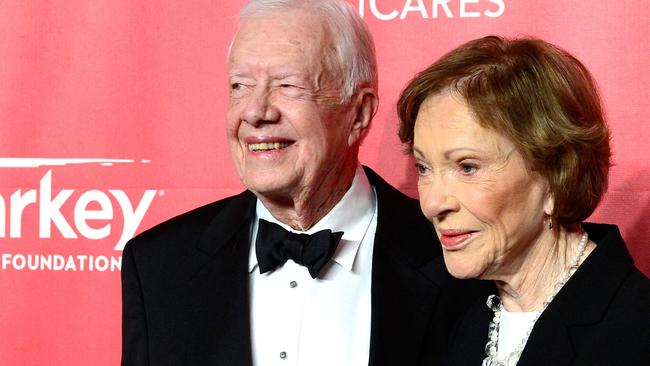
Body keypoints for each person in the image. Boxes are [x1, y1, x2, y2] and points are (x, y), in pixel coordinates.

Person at [121, 1, 484, 365]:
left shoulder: (458, 257)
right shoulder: (160, 267)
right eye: (240, 85)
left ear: (358, 113)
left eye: (288, 85)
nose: (255, 111)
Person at [397, 35, 650, 365]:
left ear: (554, 175)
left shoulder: (637, 331)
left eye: (467, 167)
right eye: (424, 167)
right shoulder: (456, 320)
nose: (432, 204)